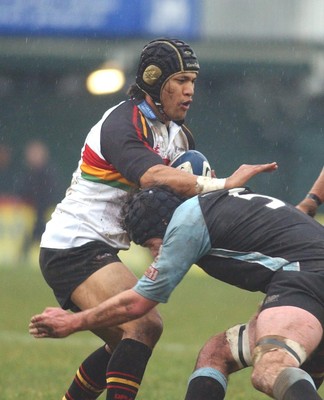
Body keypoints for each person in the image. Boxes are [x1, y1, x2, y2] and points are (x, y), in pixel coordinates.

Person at [31, 36, 277, 400]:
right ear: (153, 80)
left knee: (124, 344)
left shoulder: (180, 138)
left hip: (101, 248)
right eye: (179, 81)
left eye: (192, 81)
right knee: (143, 325)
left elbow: (174, 200)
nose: (189, 91)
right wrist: (223, 182)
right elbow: (152, 178)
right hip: (73, 245)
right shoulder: (121, 123)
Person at [30, 185, 324, 400]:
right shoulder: (223, 198)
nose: (156, 253)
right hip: (302, 280)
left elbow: (137, 303)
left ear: (161, 226)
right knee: (215, 353)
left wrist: (73, 323)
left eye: (152, 244)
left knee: (270, 367)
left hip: (305, 279)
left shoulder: (185, 224)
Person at [14, 140, 62, 256]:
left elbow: (54, 192)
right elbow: (22, 191)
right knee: (29, 237)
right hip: (31, 213)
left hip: (46, 213)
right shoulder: (27, 173)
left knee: (46, 238)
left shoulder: (49, 172)